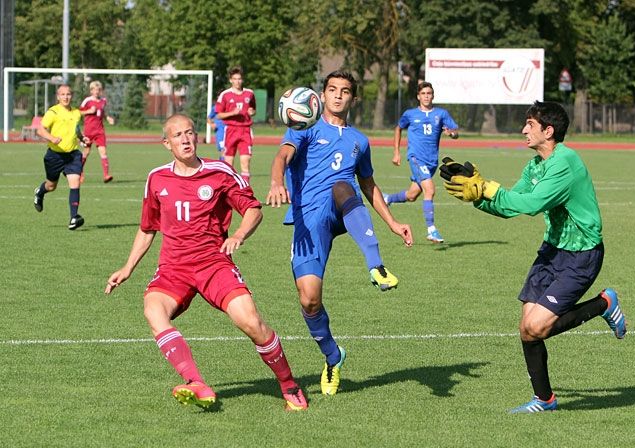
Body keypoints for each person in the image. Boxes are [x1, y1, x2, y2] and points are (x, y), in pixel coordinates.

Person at [104, 114, 307, 412]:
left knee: (251, 322)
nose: (185, 139)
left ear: (197, 137)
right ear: (166, 143)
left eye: (189, 133)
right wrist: (127, 268)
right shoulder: (156, 178)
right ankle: (195, 382)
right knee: (153, 311)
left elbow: (253, 209)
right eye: (177, 135)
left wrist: (238, 234)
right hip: (173, 268)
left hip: (214, 264)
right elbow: (148, 228)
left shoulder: (220, 172)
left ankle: (289, 385)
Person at [440, 101, 627, 413]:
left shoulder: (564, 163)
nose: (524, 129)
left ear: (548, 131)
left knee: (537, 327)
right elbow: (512, 204)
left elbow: (531, 204)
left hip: (582, 255)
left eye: (530, 124)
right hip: (552, 251)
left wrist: (486, 187)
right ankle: (545, 399)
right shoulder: (535, 165)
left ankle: (604, 304)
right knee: (527, 328)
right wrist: (477, 198)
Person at [266, 70, 413, 396]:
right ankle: (333, 356)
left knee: (343, 185)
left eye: (345, 91)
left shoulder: (359, 141)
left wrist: (393, 223)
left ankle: (376, 265)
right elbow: (282, 156)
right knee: (309, 300)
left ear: (353, 98)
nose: (338, 95)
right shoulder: (304, 127)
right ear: (322, 94)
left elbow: (368, 185)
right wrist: (277, 181)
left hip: (343, 209)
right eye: (332, 89)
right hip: (308, 222)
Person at [383, 81, 459, 243]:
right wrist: (396, 152)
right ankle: (431, 230)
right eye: (423, 94)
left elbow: (455, 132)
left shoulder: (441, 114)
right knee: (430, 190)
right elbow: (398, 128)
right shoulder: (410, 114)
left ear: (433, 95)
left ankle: (387, 199)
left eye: (429, 93)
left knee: (412, 195)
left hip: (432, 162)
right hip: (416, 158)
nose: (426, 96)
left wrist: (451, 134)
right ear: (418, 96)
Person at [33, 84, 90, 230]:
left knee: (75, 182)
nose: (66, 97)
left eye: (68, 94)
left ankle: (73, 218)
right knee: (51, 186)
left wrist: (82, 138)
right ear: (58, 97)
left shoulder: (76, 112)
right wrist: (51, 138)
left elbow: (76, 129)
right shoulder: (53, 112)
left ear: (71, 96)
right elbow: (40, 130)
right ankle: (40, 191)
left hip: (72, 155)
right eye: (63, 94)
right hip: (54, 155)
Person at [215, 67, 256, 183]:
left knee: (246, 161)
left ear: (242, 80)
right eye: (235, 79)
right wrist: (232, 113)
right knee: (229, 163)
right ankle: (229, 191)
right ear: (230, 80)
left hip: (245, 130)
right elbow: (218, 115)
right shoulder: (225, 95)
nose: (237, 81)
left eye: (239, 79)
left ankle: (245, 190)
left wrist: (252, 112)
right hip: (231, 130)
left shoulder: (249, 93)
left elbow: (253, 109)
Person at [79, 80, 116, 183]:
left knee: (103, 152)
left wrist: (108, 118)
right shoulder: (87, 101)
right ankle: (79, 173)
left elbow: (102, 113)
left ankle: (106, 175)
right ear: (91, 90)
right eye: (94, 89)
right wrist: (89, 111)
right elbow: (78, 112)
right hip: (88, 132)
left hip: (100, 131)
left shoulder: (103, 101)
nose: (96, 91)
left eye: (98, 90)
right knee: (86, 152)